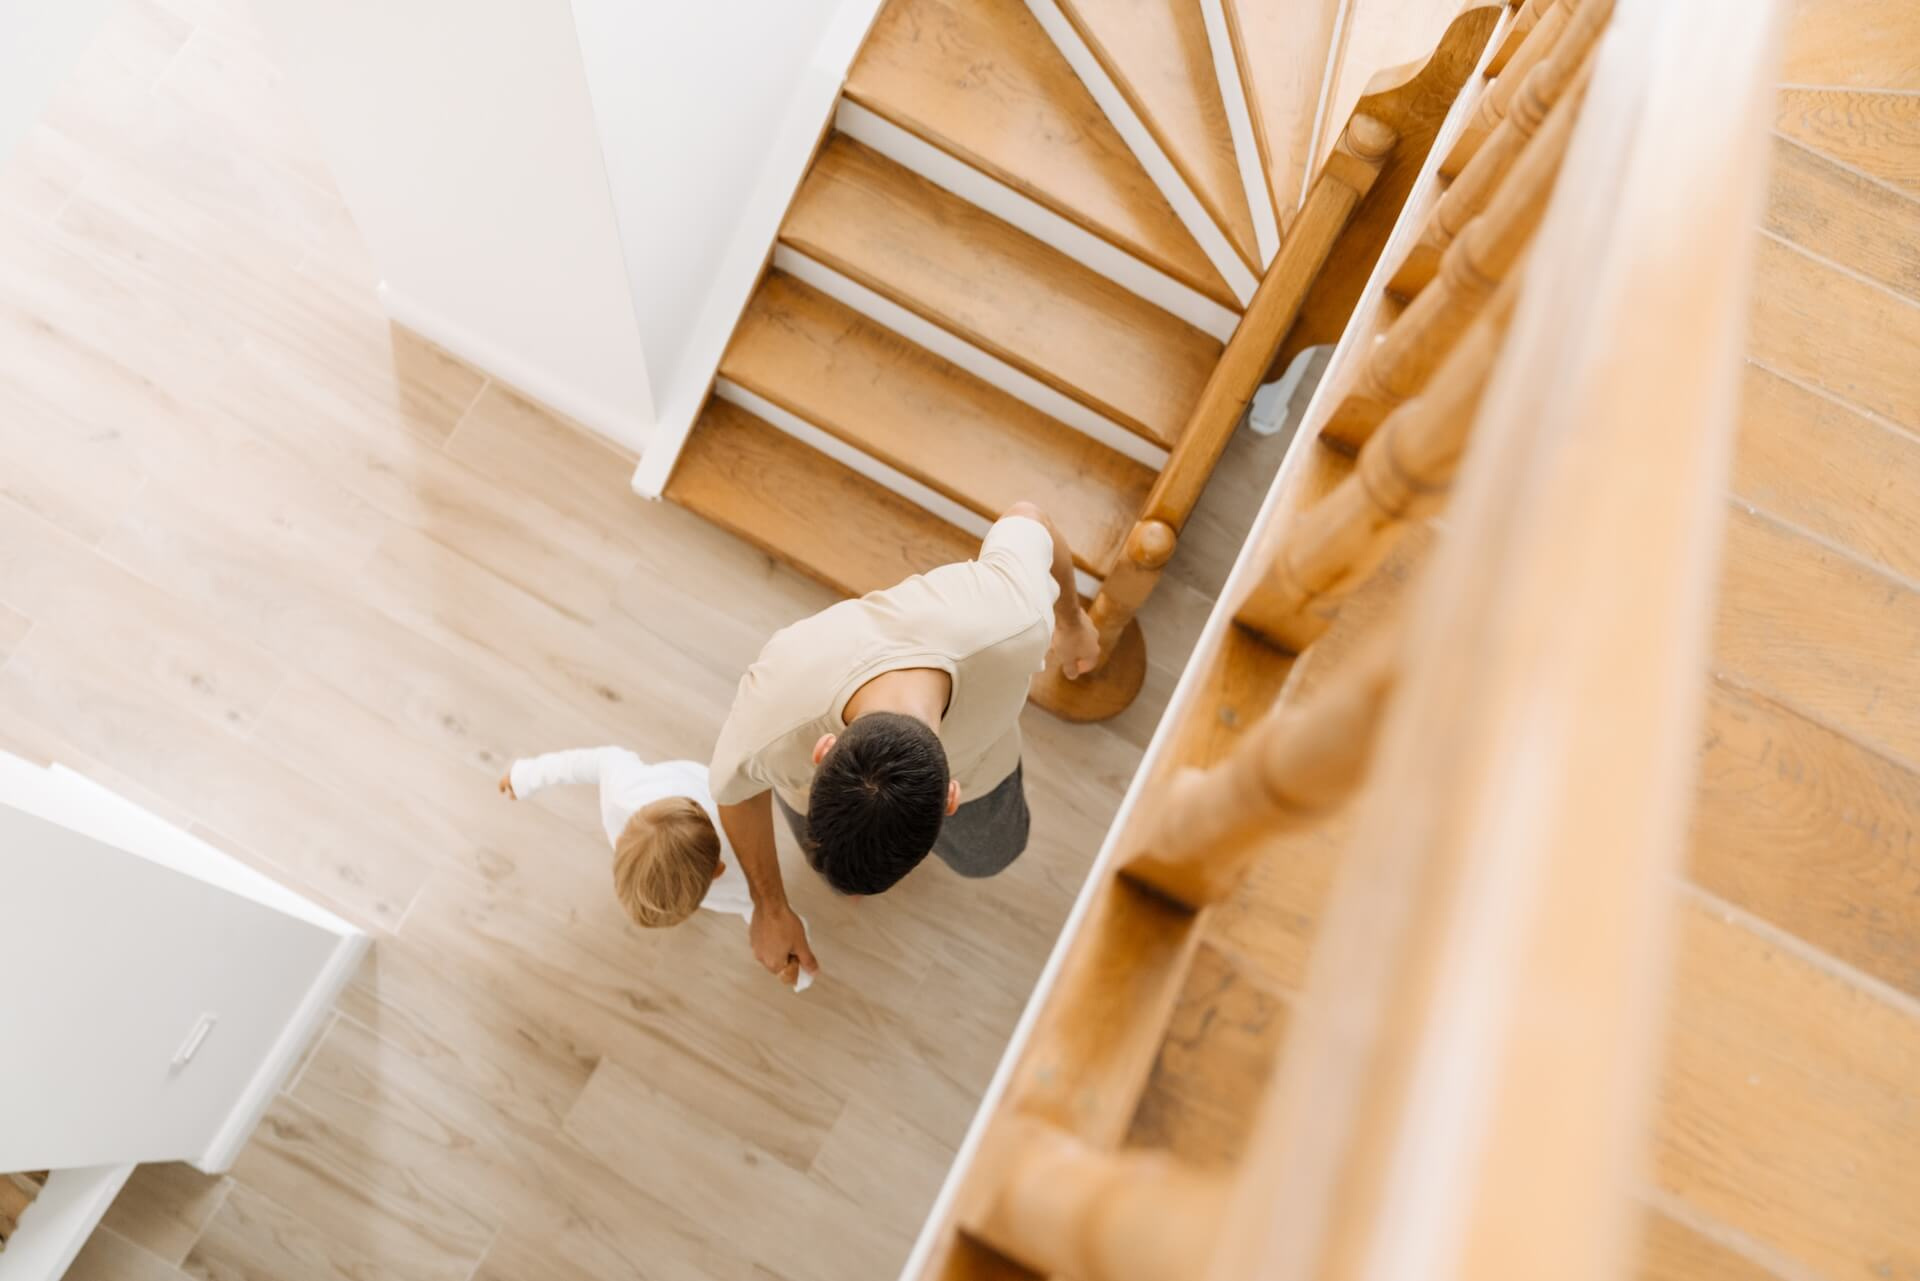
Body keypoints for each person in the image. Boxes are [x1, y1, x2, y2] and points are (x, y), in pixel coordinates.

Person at [708, 502, 1100, 984]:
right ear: (821, 753)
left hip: (987, 772)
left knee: (990, 855)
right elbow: (734, 791)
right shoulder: (772, 711)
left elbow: (1031, 517)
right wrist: (769, 905)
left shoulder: (1010, 619)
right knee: (836, 872)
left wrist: (1073, 621)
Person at [498, 747, 813, 989]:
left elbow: (771, 915)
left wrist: (794, 964)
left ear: (717, 873)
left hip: (709, 791)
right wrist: (526, 775)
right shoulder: (622, 792)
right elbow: (593, 760)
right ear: (623, 841)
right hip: (684, 788)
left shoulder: (743, 873)